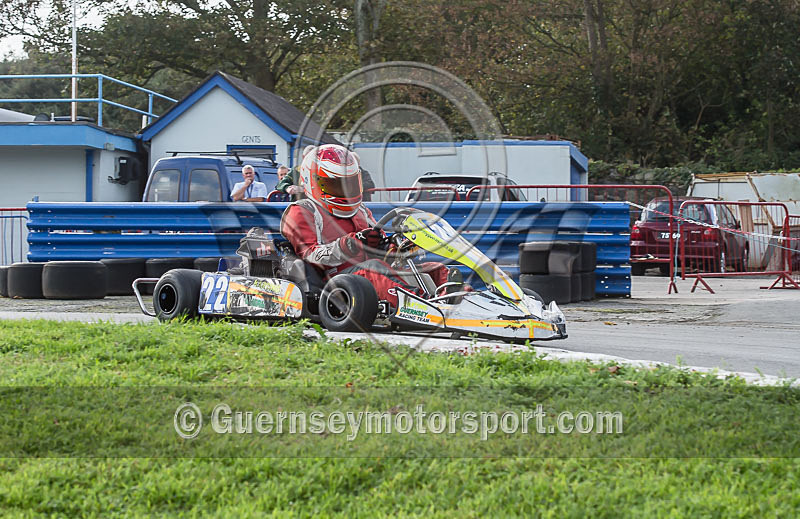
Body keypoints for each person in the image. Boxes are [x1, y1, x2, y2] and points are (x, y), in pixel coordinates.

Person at [280, 144, 454, 309]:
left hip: (371, 270)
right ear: (312, 181)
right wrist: (349, 244)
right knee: (374, 268)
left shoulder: (360, 210)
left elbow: (380, 248)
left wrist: (394, 246)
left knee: (436, 269)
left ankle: (459, 301)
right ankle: (424, 305)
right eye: (335, 184)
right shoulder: (302, 211)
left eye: (349, 184)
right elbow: (311, 255)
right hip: (335, 281)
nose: (345, 190)